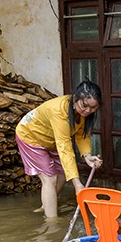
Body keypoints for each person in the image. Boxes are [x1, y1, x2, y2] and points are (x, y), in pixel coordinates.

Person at [15, 80, 103, 218]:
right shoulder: (59, 110)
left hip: (52, 138)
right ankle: (52, 224)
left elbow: (81, 134)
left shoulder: (83, 112)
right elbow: (65, 148)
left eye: (93, 108)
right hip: (31, 136)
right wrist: (77, 184)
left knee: (62, 173)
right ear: (75, 98)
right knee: (50, 178)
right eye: (84, 106)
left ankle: (47, 204)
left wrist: (87, 155)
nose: (88, 111)